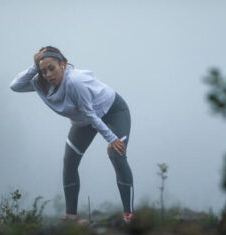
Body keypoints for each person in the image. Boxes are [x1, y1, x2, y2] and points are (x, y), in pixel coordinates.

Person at [10, 46, 135, 223]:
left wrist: (112, 139)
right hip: (84, 121)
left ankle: (129, 214)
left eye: (51, 68)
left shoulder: (75, 82)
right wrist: (33, 67)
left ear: (63, 64)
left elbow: (91, 113)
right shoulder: (41, 83)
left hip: (112, 111)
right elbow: (15, 86)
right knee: (69, 162)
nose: (48, 74)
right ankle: (71, 215)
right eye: (43, 71)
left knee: (117, 153)